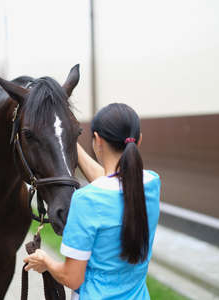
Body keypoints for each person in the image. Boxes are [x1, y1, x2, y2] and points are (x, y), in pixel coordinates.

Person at [23, 103, 161, 300]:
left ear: (97, 141)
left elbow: (72, 278)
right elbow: (110, 180)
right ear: (138, 140)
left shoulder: (87, 200)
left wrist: (46, 261)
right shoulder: (151, 184)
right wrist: (65, 140)